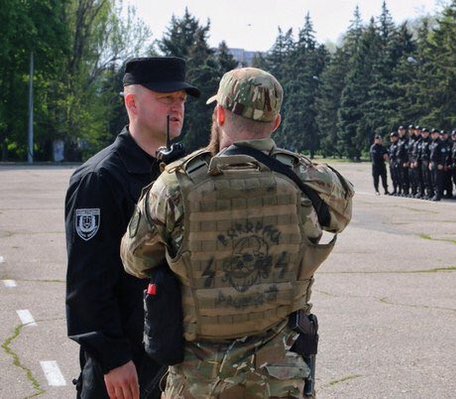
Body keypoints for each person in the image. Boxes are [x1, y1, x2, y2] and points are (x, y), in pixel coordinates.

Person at [120, 67, 354, 398]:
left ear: (219, 114)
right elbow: (341, 215)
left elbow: (134, 260)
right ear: (275, 123)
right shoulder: (311, 181)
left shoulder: (176, 185)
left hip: (199, 381)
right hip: (279, 379)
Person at [65, 57, 200, 399]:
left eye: (181, 100)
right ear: (132, 102)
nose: (177, 108)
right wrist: (112, 358)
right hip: (125, 368)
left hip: (172, 359)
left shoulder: (178, 174)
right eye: (166, 98)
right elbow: (88, 283)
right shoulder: (100, 178)